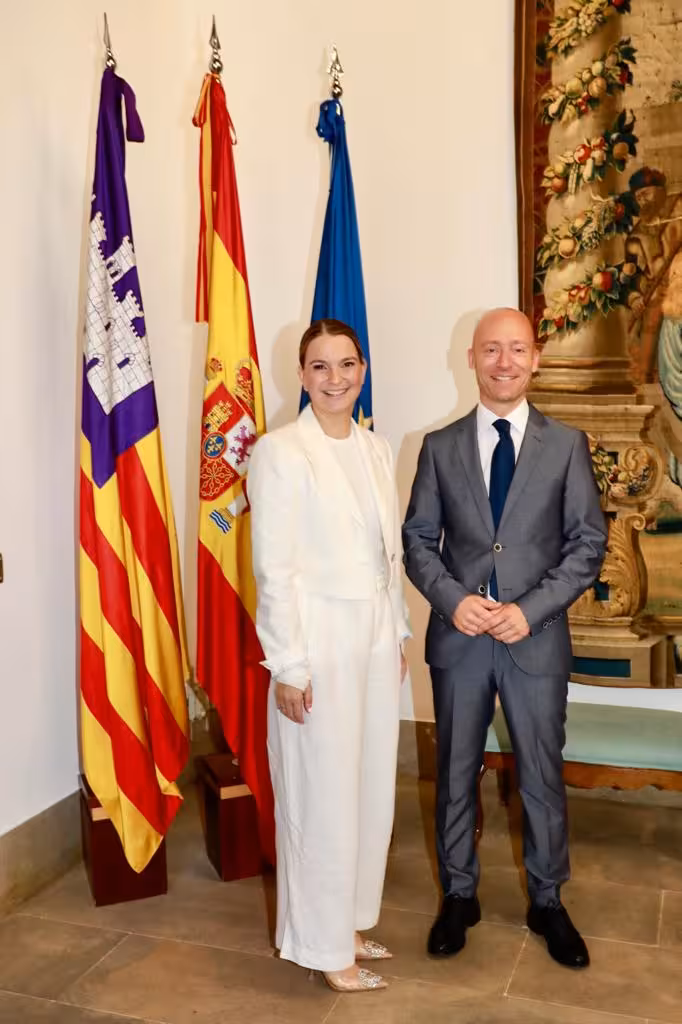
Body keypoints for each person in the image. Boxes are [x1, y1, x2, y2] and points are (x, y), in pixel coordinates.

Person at [402, 308, 606, 969]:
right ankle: (458, 895)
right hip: (459, 640)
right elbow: (416, 540)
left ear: (536, 358)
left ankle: (548, 901)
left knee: (542, 778)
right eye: (492, 349)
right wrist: (452, 599)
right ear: (471, 359)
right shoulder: (439, 446)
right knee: (455, 774)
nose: (504, 361)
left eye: (516, 349)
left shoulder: (567, 445)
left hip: (534, 637)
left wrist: (531, 608)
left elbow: (587, 545)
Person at [248, 318, 410, 993]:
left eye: (347, 365)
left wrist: (398, 630)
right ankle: (320, 944)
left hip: (373, 636)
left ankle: (346, 920)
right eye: (321, 367)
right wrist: (288, 664)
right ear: (302, 373)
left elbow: (386, 552)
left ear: (363, 369)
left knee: (369, 785)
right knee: (321, 794)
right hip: (317, 641)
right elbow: (274, 566)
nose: (336, 378)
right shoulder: (281, 452)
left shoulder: (375, 450)